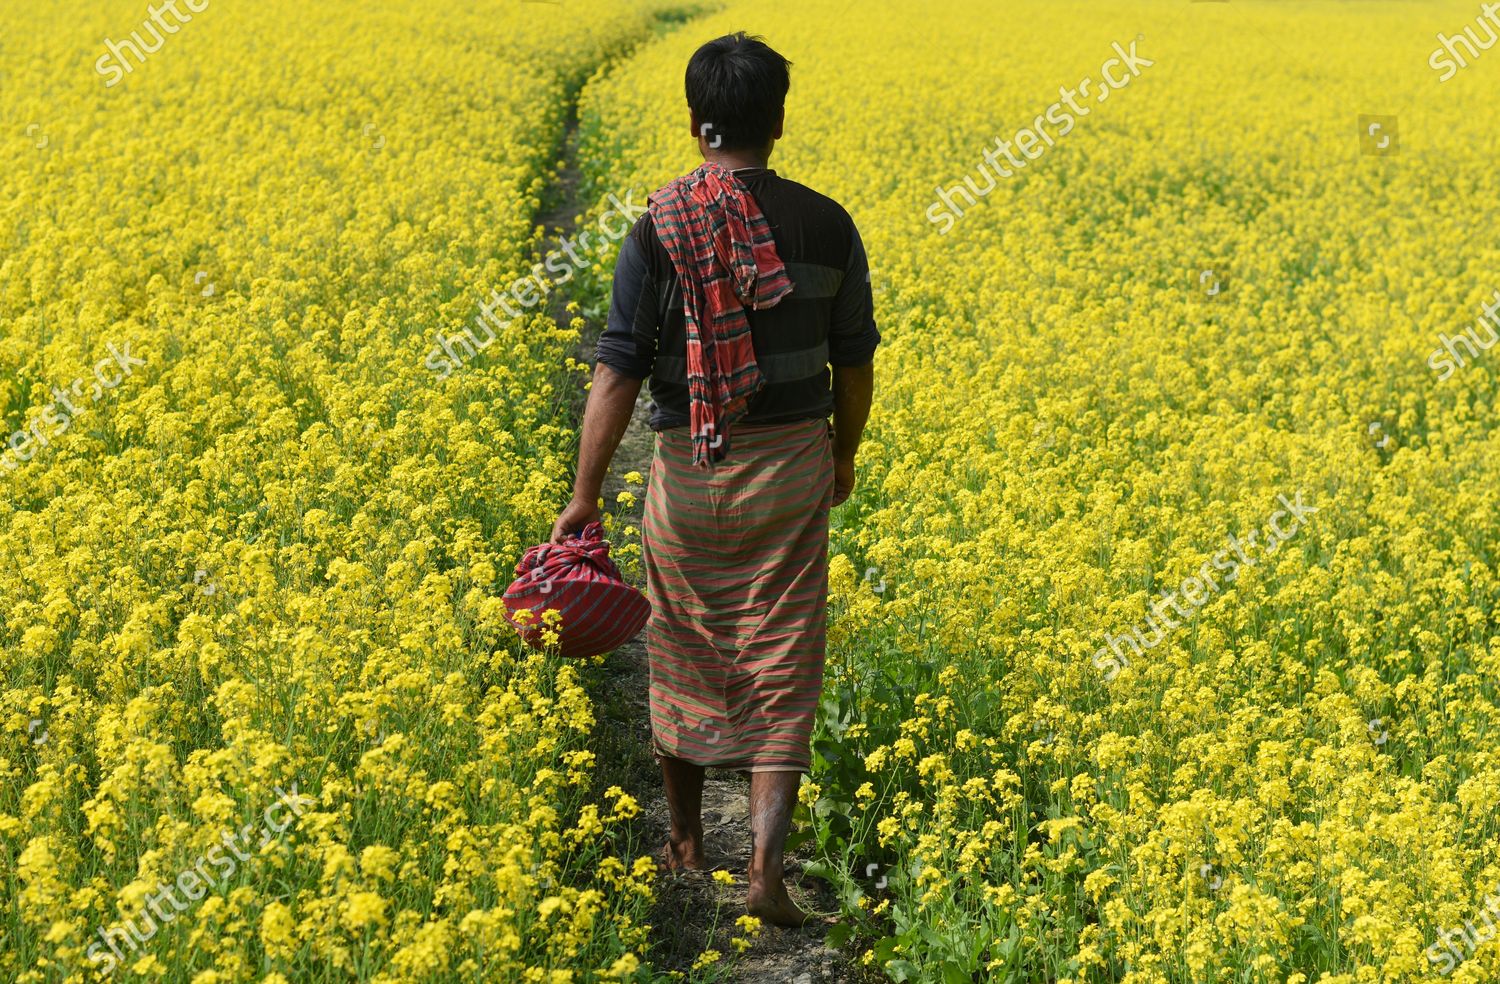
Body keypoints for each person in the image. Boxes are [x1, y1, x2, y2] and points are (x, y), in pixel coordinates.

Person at [550, 31, 879, 927]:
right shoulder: (827, 223)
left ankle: (687, 843)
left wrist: (585, 496)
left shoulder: (659, 225)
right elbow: (855, 362)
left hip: (689, 470)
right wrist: (841, 453)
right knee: (782, 654)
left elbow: (618, 364)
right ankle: (766, 874)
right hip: (789, 470)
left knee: (686, 645)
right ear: (777, 121)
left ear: (699, 126)